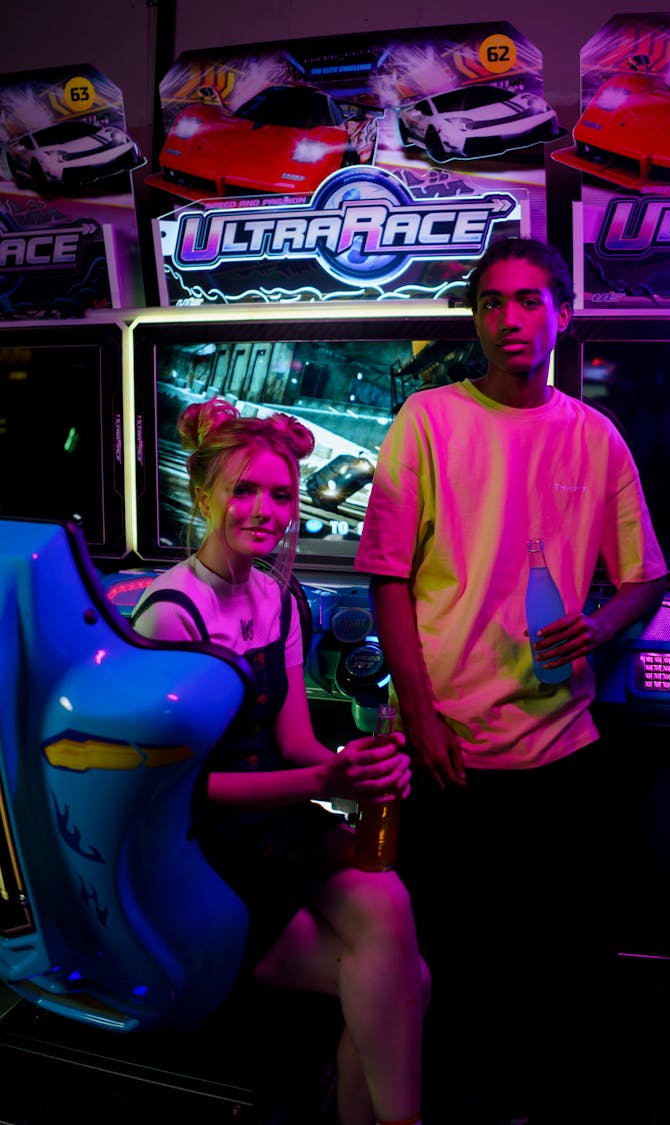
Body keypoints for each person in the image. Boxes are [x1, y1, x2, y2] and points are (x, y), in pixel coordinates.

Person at [354, 236, 668, 1124]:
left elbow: (647, 574)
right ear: (476, 320)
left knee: (560, 963)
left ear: (560, 314)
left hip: (563, 747)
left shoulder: (593, 434)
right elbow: (386, 575)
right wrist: (421, 717)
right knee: (447, 963)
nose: (510, 320)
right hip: (450, 747)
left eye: (529, 301)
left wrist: (603, 623)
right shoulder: (426, 420)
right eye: (491, 303)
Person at [131, 397, 429, 1125]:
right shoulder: (171, 613)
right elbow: (179, 790)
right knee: (402, 981)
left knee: (390, 902)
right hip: (204, 856)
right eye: (244, 490)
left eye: (281, 493)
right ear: (204, 494)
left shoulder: (278, 596)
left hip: (277, 828)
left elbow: (296, 741)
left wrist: (351, 765)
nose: (265, 509)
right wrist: (322, 781)